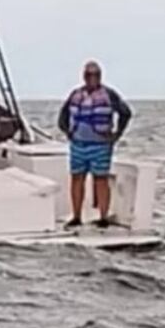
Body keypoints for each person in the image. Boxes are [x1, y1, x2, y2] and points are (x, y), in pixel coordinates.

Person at [57, 60, 132, 229]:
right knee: (77, 178)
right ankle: (76, 216)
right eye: (89, 74)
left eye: (96, 74)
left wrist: (117, 134)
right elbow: (63, 115)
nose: (92, 78)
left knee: (101, 179)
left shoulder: (109, 94)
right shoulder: (76, 94)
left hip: (100, 145)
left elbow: (125, 113)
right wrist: (68, 132)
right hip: (78, 144)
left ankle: (103, 217)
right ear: (84, 76)